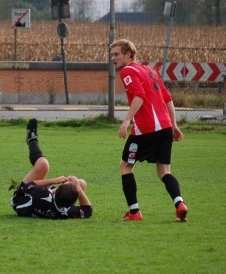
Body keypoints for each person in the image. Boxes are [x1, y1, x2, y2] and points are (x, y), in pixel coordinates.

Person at [109, 39, 188, 222]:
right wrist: (174, 125)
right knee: (164, 172)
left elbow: (139, 96)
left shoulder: (128, 71)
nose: (113, 58)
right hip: (165, 128)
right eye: (112, 55)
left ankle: (134, 212)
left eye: (116, 54)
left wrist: (126, 121)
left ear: (128, 54)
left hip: (145, 130)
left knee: (126, 166)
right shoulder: (150, 70)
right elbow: (168, 98)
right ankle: (180, 204)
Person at [10, 119, 92, 219]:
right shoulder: (66, 212)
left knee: (43, 164)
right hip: (49, 202)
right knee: (82, 183)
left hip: (20, 199)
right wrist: (78, 188)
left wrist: (55, 180)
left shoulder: (42, 193)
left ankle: (32, 139)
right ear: (73, 203)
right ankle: (75, 188)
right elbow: (87, 211)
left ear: (56, 191)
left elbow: (27, 187)